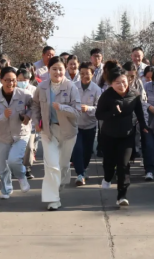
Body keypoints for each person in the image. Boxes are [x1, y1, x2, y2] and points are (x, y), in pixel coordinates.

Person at [32, 56, 81, 211]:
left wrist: (61, 107)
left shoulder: (71, 87)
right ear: (48, 70)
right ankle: (53, 199)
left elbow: (77, 111)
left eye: (60, 69)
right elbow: (35, 105)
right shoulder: (42, 87)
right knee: (51, 165)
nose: (57, 72)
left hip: (68, 131)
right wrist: (36, 121)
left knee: (63, 165)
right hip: (48, 130)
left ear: (65, 69)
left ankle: (60, 183)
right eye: (54, 69)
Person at [96, 67, 148, 207]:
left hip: (127, 135)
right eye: (117, 83)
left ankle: (122, 195)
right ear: (111, 83)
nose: (121, 85)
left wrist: (144, 125)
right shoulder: (106, 96)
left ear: (128, 80)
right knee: (109, 164)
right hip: (109, 135)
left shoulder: (134, 94)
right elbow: (98, 115)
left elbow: (139, 112)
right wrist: (112, 112)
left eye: (124, 81)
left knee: (123, 165)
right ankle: (107, 177)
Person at [0, 66, 33, 199]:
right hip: (2, 136)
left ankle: (21, 177)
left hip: (21, 134)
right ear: (1, 80)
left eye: (13, 80)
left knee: (14, 160)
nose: (10, 83)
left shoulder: (24, 94)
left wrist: (28, 116)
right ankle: (6, 189)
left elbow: (34, 107)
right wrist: (3, 116)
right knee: (2, 166)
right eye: (7, 80)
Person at [71, 62, 102, 185]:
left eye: (87, 74)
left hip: (90, 125)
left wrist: (88, 108)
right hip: (75, 125)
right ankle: (80, 174)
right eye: (82, 73)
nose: (84, 76)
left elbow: (99, 109)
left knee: (87, 151)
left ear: (92, 74)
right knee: (77, 149)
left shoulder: (96, 89)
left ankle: (83, 169)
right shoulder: (73, 87)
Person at [18, 68, 38, 179]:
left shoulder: (34, 90)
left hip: (31, 124)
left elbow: (35, 106)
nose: (22, 82)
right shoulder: (13, 89)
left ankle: (27, 168)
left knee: (29, 147)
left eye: (24, 79)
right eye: (19, 80)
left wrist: (29, 116)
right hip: (16, 124)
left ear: (29, 79)